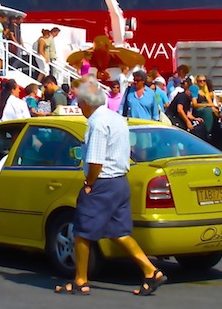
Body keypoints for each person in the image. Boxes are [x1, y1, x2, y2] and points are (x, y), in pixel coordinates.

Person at [55, 82, 166, 296]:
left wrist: (89, 184)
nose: (79, 106)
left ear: (87, 103)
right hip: (119, 181)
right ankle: (151, 271)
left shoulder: (97, 124)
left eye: (80, 102)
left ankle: (80, 280)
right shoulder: (116, 118)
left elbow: (95, 161)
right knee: (119, 232)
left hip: (102, 182)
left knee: (81, 232)